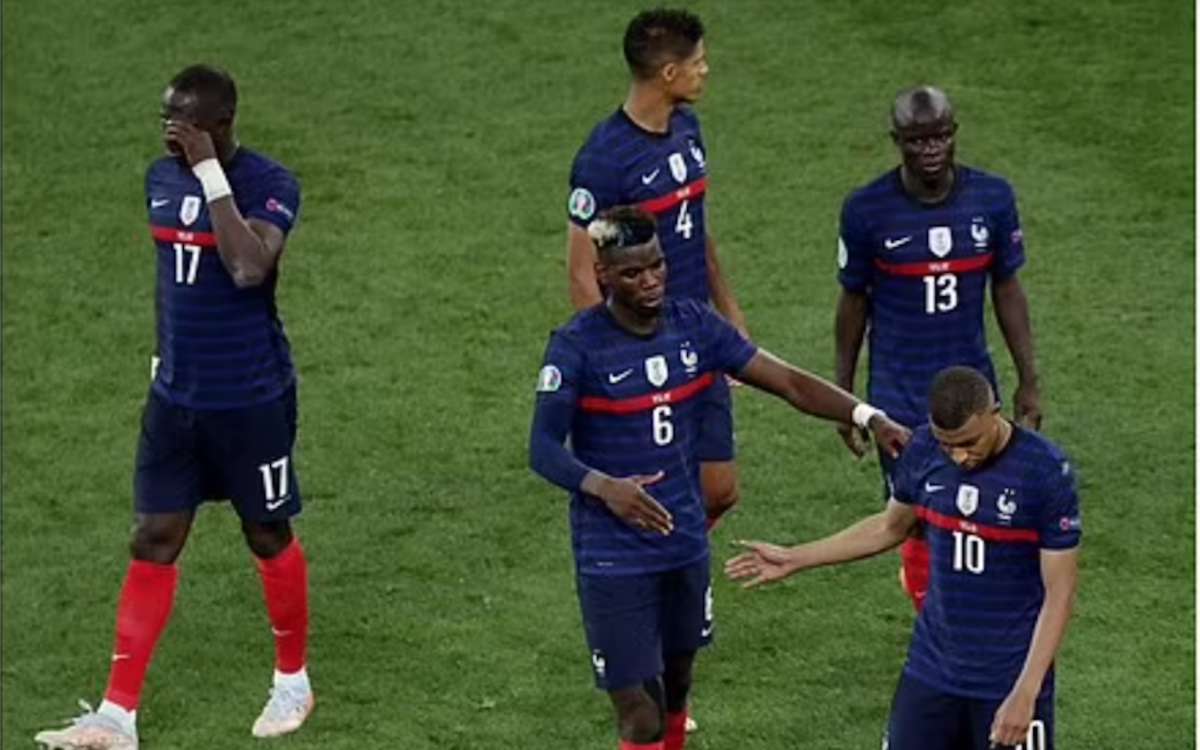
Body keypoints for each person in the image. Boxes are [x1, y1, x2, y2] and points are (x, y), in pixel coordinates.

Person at [530, 207, 909, 750]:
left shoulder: (694, 326)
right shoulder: (576, 347)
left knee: (677, 687)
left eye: (657, 266)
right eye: (633, 273)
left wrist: (868, 416)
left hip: (683, 541)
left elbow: (787, 382)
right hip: (613, 555)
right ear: (603, 275)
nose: (651, 280)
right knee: (640, 713)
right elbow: (542, 447)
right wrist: (604, 487)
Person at [36, 65, 312, 750]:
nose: (171, 132)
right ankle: (116, 715)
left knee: (266, 532)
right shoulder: (160, 180)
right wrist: (164, 356)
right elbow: (174, 284)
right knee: (153, 537)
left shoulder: (271, 184)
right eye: (166, 117)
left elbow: (248, 268)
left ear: (220, 123)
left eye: (184, 121)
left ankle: (293, 682)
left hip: (250, 397)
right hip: (175, 400)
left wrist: (211, 173)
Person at [728, 366, 1079, 749]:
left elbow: (1059, 593)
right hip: (932, 670)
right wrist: (796, 557)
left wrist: (1026, 691)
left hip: (1007, 676)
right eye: (948, 445)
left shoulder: (1043, 472)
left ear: (994, 413)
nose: (959, 457)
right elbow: (889, 527)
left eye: (969, 442)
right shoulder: (924, 449)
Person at [834, 85, 1042, 610]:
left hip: (974, 392)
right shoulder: (867, 210)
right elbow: (853, 303)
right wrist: (844, 397)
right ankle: (938, 618)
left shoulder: (992, 199)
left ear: (954, 135)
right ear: (897, 141)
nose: (930, 149)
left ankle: (953, 614)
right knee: (918, 519)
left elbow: (1007, 289)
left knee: (978, 508)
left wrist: (1029, 381)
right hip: (899, 399)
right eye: (917, 140)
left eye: (940, 136)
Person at [566, 8, 747, 533]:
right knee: (660, 487)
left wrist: (730, 313)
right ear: (669, 73)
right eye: (698, 62)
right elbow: (582, 272)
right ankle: (661, 567)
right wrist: (617, 355)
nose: (705, 70)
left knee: (720, 489)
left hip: (698, 330)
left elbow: (697, 230)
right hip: (645, 338)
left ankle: (675, 554)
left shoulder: (687, 129)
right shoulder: (604, 160)